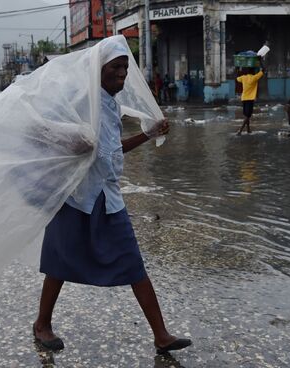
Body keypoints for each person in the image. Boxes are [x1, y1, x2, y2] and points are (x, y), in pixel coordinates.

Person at [33, 38, 192, 355]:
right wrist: (72, 143)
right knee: (59, 263)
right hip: (76, 195)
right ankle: (42, 324)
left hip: (107, 196)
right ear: (98, 69)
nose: (122, 74)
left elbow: (110, 149)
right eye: (115, 67)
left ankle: (161, 335)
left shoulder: (111, 105)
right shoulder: (80, 100)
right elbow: (42, 131)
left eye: (124, 68)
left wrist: (148, 134)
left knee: (133, 263)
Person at [236, 57, 265, 135]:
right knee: (247, 116)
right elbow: (263, 70)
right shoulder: (254, 78)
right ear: (253, 71)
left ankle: (248, 129)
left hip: (244, 98)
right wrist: (260, 61)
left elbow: (237, 78)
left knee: (246, 115)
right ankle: (240, 130)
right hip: (250, 99)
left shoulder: (243, 78)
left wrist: (238, 68)